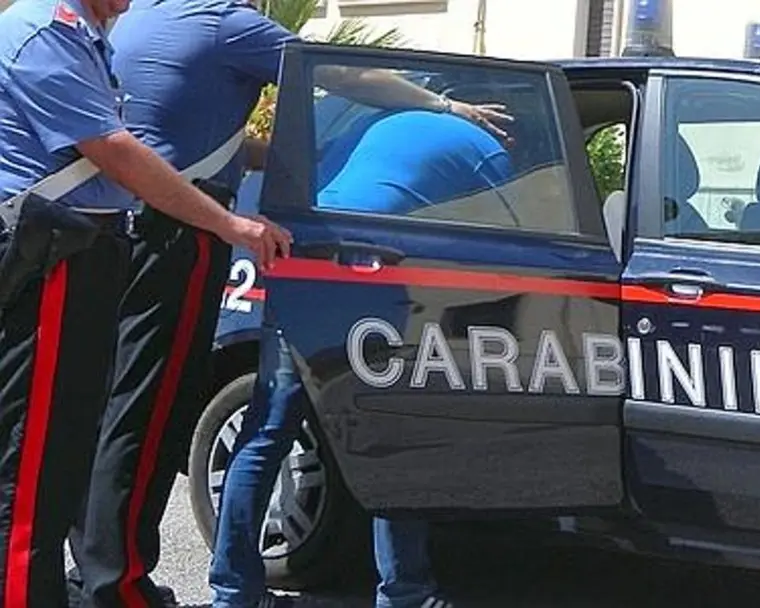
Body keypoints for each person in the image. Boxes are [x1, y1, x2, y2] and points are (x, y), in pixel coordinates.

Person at [62, 1, 512, 607]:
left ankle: (196, 586)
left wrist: (282, 156)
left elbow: (201, 133)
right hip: (189, 233)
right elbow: (339, 72)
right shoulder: (227, 22)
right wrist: (448, 107)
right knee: (155, 412)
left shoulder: (146, 16)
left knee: (160, 410)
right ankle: (118, 584)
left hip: (132, 225)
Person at [0, 0, 291, 606]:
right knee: (48, 458)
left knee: (71, 437)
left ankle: (81, 580)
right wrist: (232, 224)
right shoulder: (50, 31)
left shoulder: (102, 30)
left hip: (97, 245)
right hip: (69, 250)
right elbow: (115, 148)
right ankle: (91, 585)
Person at [213, 107, 514, 608]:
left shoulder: (372, 124)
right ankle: (405, 592)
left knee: (269, 428)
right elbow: (514, 234)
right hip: (372, 275)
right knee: (390, 433)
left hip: (306, 260)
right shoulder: (489, 153)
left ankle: (232, 591)